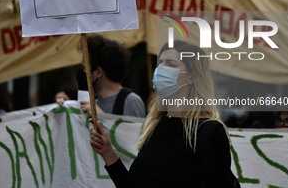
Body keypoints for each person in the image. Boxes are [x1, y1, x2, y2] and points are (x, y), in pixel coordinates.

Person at [89, 41, 240, 188]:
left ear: (192, 77)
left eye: (171, 64)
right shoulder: (154, 125)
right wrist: (108, 153)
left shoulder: (210, 132)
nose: (161, 69)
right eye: (160, 63)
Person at [74, 34, 146, 118]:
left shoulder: (130, 101)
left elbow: (132, 131)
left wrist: (101, 116)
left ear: (98, 72)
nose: (83, 72)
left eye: (84, 68)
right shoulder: (93, 103)